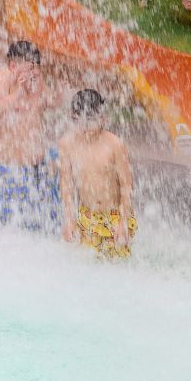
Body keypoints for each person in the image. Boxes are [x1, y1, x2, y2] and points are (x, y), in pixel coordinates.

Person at [0, 39, 61, 234]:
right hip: (9, 168)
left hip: (37, 164)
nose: (34, 72)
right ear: (13, 66)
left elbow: (51, 101)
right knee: (14, 230)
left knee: (46, 225)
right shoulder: (2, 79)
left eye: (35, 67)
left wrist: (58, 93)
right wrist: (15, 96)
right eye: (29, 68)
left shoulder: (36, 78)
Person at [59, 88, 136, 259]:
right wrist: (70, 219)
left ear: (102, 118)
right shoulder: (67, 144)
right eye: (80, 121)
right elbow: (66, 185)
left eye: (90, 120)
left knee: (117, 266)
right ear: (73, 118)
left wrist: (123, 222)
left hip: (115, 216)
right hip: (87, 216)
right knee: (87, 267)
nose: (85, 127)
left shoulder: (115, 145)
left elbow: (126, 185)